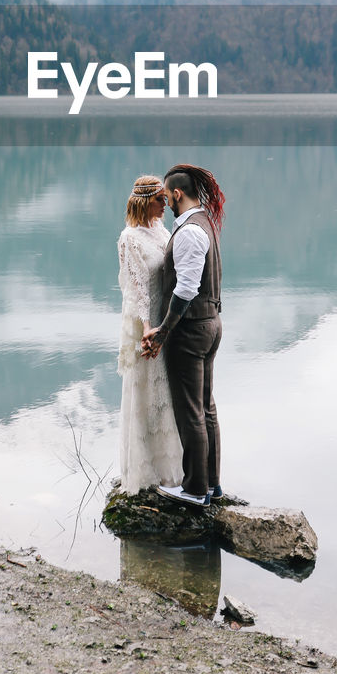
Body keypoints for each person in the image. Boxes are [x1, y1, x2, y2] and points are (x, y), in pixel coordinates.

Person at [142, 163, 225, 507]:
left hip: (191, 330)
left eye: (166, 196)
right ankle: (211, 486)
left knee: (191, 411)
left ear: (176, 194)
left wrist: (162, 331)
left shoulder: (189, 231)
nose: (165, 202)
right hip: (210, 323)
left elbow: (187, 288)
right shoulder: (202, 223)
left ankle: (193, 490)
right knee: (205, 409)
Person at [116, 175, 183, 495]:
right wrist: (147, 330)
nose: (166, 203)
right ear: (145, 202)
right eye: (160, 199)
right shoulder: (130, 238)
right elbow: (137, 288)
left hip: (166, 318)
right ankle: (146, 470)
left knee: (167, 394)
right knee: (148, 393)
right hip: (149, 320)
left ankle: (172, 469)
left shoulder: (160, 230)